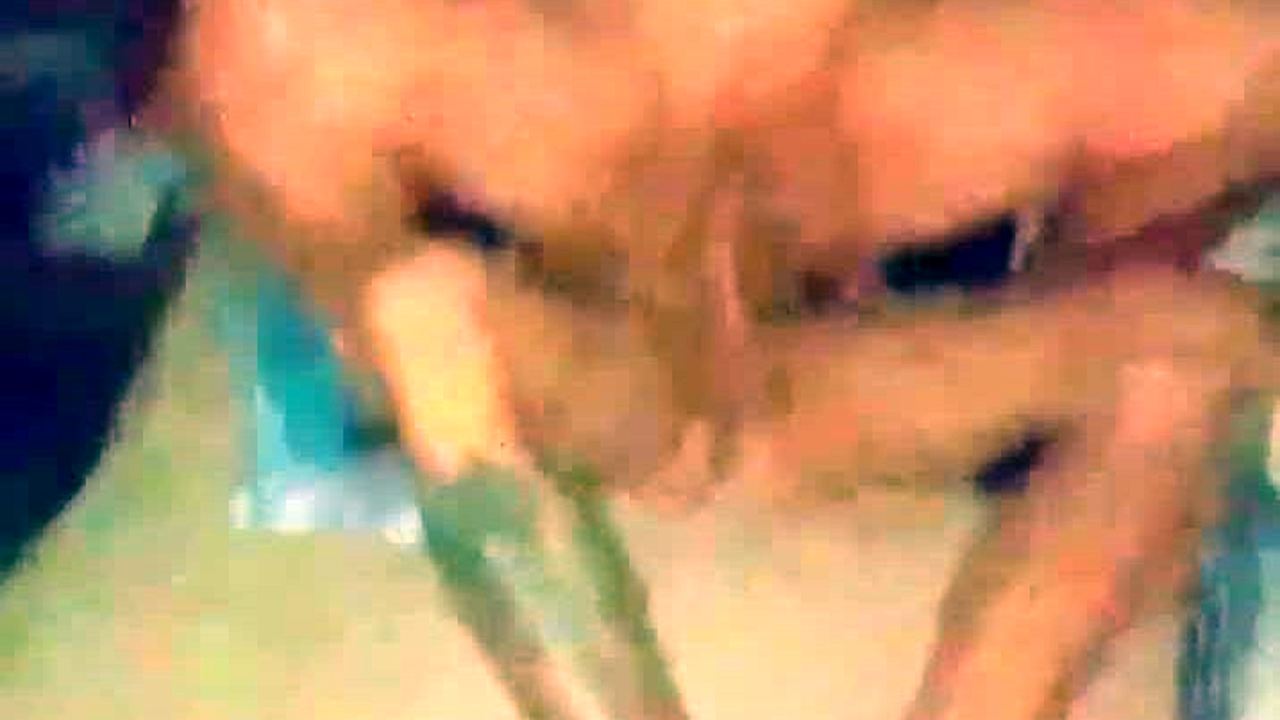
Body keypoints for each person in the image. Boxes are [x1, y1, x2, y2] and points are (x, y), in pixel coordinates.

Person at [4, 2, 1279, 719]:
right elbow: (417, 357)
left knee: (1176, 365)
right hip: (570, 359)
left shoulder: (1186, 52)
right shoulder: (301, 47)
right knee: (425, 315)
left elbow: (1101, 357)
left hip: (907, 345)